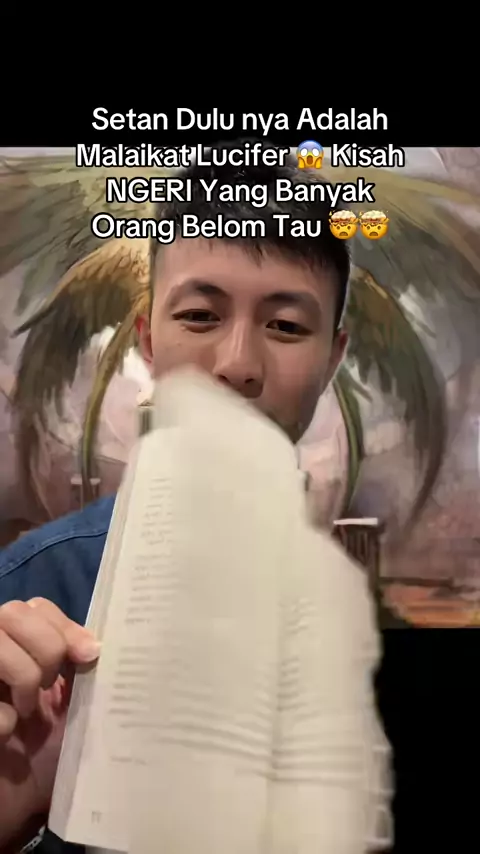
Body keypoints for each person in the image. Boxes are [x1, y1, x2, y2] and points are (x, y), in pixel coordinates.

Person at [0, 149, 385, 853]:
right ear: (149, 341)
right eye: (201, 315)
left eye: (286, 326)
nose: (236, 364)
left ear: (332, 358)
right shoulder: (32, 588)